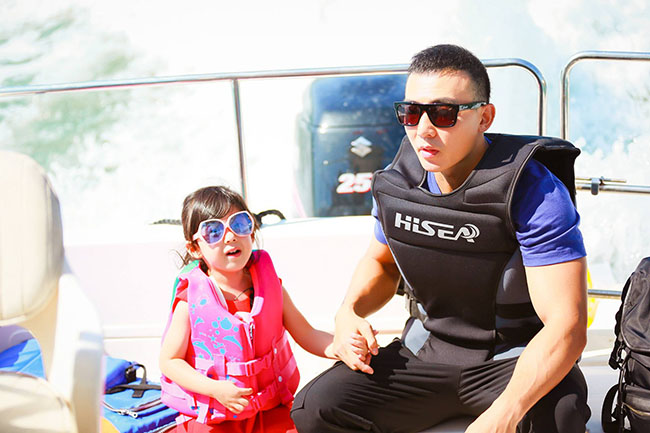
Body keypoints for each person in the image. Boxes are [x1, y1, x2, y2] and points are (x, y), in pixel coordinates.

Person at [290, 44, 591, 433]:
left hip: (511, 360)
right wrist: (348, 313)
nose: (423, 130)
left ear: (484, 117)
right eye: (411, 113)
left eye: (444, 113)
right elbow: (381, 263)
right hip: (424, 353)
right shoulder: (398, 183)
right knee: (315, 408)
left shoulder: (535, 193)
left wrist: (502, 416)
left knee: (561, 418)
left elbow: (567, 326)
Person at [159, 186, 336, 433]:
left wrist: (341, 347)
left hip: (269, 410)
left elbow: (307, 334)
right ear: (195, 248)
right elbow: (169, 361)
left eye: (239, 224)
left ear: (251, 232)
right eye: (213, 231)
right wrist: (215, 389)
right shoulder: (190, 300)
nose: (230, 236)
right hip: (214, 416)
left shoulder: (270, 288)